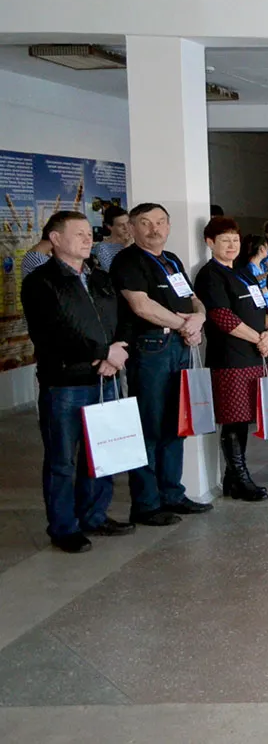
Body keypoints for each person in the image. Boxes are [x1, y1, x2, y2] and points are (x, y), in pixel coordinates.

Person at [22, 211, 134, 553]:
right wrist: (103, 352)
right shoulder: (41, 281)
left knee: (101, 451)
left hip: (105, 376)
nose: (88, 239)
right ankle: (63, 527)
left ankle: (94, 516)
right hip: (66, 382)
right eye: (79, 233)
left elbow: (123, 317)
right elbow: (53, 333)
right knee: (62, 460)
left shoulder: (99, 276)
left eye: (89, 233)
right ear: (56, 239)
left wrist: (117, 352)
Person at [110, 203, 212, 525]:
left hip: (179, 345)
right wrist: (185, 325)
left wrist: (199, 318)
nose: (154, 229)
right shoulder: (128, 261)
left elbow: (193, 298)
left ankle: (172, 494)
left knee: (175, 423)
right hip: (151, 348)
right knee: (149, 427)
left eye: (160, 222)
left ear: (168, 226)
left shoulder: (171, 260)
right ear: (132, 228)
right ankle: (146, 504)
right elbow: (142, 306)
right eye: (145, 223)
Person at [193, 216, 268, 501]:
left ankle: (232, 478)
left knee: (245, 418)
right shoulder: (210, 275)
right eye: (224, 240)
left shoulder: (243, 272)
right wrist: (258, 338)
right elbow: (222, 317)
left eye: (235, 240)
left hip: (253, 356)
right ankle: (240, 477)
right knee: (234, 420)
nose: (231, 245)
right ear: (210, 242)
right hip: (230, 359)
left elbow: (263, 307)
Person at [92, 206, 131, 270]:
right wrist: (127, 248)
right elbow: (114, 272)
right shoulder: (102, 248)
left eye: (128, 223)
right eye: (120, 225)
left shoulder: (137, 241)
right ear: (109, 226)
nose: (126, 228)